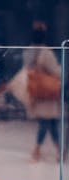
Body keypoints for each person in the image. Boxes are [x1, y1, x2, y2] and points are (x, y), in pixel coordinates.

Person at [23, 21, 61, 162]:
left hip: (37, 92)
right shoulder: (46, 53)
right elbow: (57, 72)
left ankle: (56, 150)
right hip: (48, 93)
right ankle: (38, 150)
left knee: (50, 122)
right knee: (47, 122)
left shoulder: (28, 52)